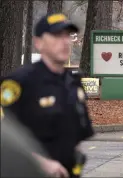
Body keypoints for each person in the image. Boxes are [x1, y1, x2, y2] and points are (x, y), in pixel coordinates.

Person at [0, 13, 94, 178]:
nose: (65, 42)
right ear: (39, 43)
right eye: (57, 36)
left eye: (67, 36)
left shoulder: (73, 82)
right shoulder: (19, 83)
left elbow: (77, 133)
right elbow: (5, 138)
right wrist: (40, 162)